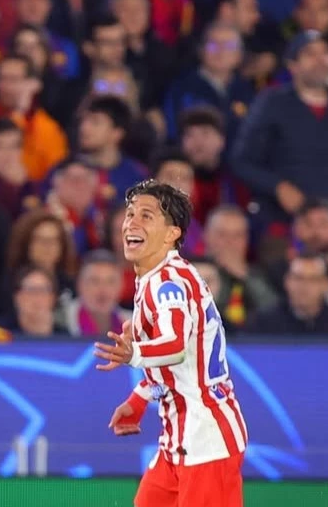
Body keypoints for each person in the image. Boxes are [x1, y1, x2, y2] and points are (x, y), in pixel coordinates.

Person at [93, 179, 248, 507]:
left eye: (146, 216)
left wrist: (134, 353)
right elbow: (180, 357)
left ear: (172, 233)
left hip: (207, 438)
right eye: (130, 213)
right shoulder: (157, 276)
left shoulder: (167, 283)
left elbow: (175, 346)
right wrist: (138, 398)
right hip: (178, 438)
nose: (131, 222)